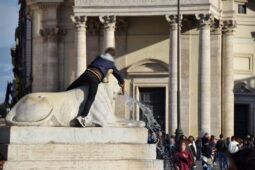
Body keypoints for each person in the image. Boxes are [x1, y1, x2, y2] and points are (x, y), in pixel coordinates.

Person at [66, 47, 125, 127]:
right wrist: (122, 82)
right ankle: (82, 117)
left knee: (73, 85)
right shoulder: (111, 63)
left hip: (86, 73)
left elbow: (91, 65)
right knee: (91, 98)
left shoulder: (99, 57)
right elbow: (118, 74)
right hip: (95, 78)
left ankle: (65, 92)